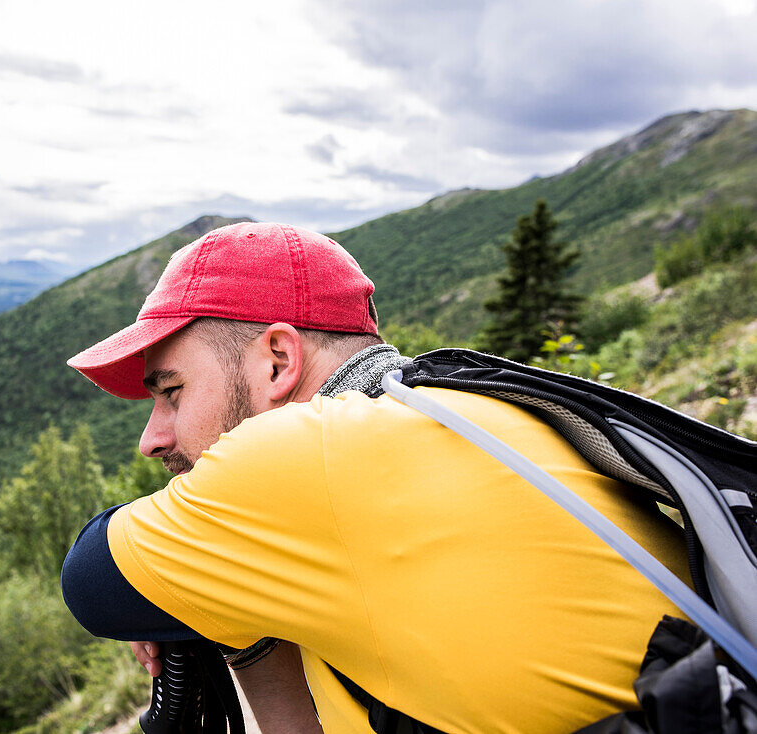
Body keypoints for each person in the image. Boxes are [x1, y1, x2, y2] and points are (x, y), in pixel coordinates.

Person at [60, 222, 690, 733]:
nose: (152, 438)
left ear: (278, 362)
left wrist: (201, 583)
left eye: (171, 391)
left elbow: (88, 579)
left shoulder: (312, 455)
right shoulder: (481, 406)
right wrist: (233, 607)